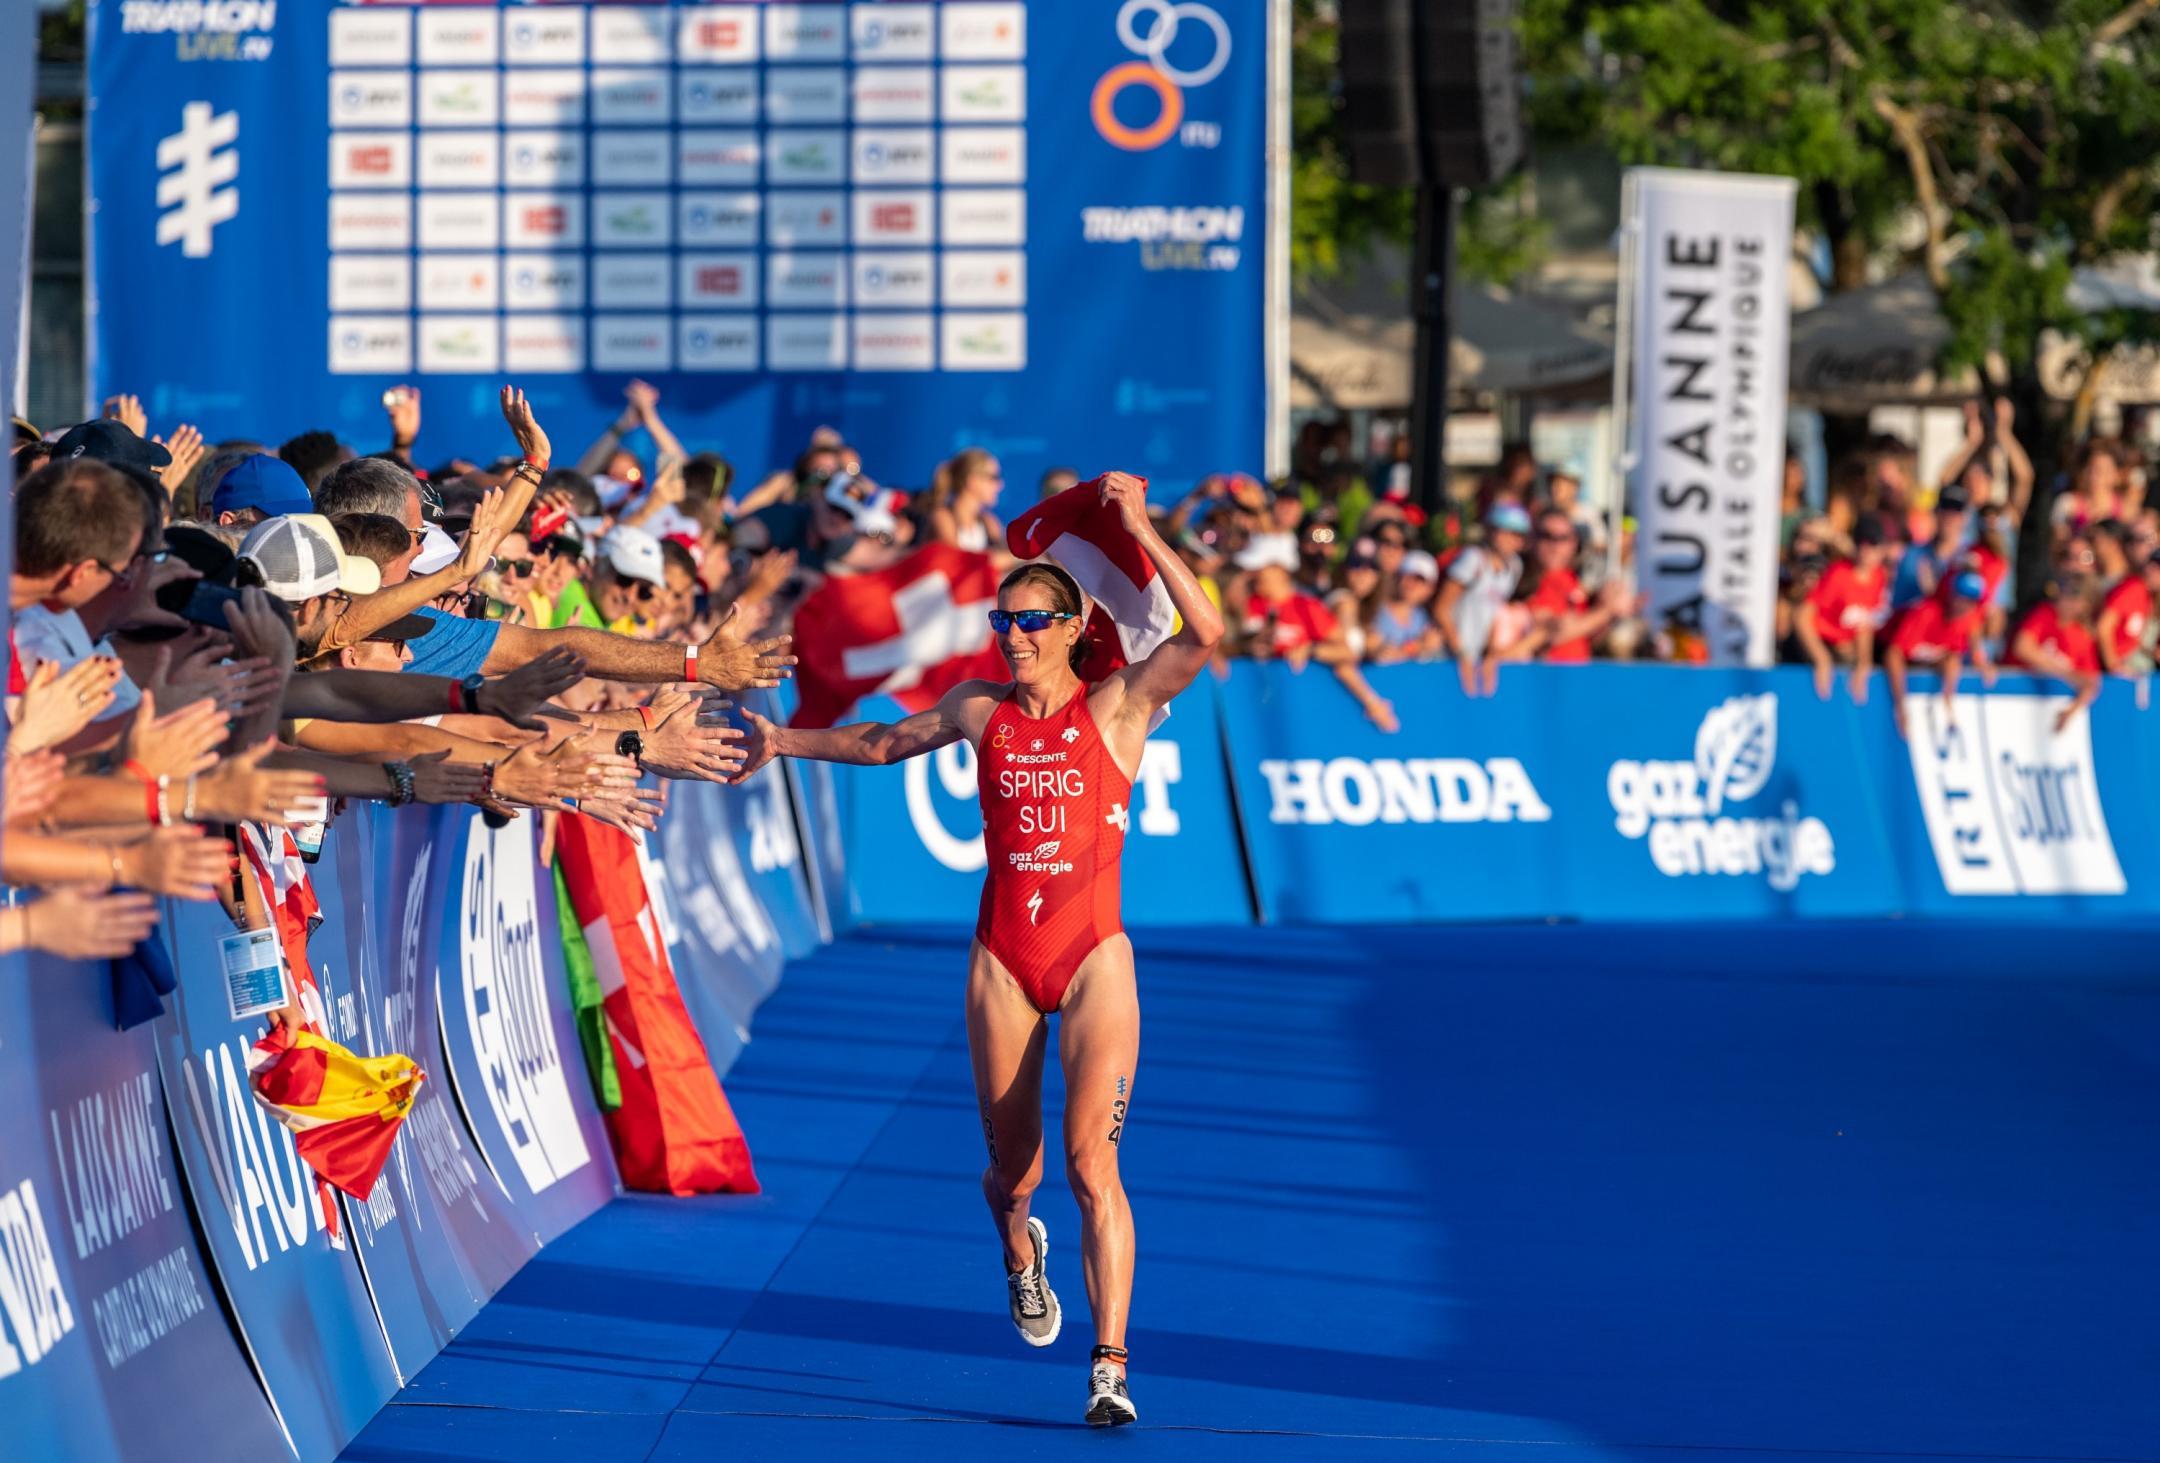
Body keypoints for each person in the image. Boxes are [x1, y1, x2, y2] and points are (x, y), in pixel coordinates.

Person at [729, 473, 1223, 1428]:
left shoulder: (1119, 705)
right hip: (1004, 959)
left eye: (1033, 621)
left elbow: (1204, 633)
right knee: (1017, 1177)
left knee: (1092, 1167)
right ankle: (1018, 1249)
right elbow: (883, 743)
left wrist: (1139, 524)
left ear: (1075, 627)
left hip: (1094, 957)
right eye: (1005, 621)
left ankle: (1110, 1365)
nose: (1015, 636)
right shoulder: (977, 711)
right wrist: (782, 741)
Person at [1882, 570, 1994, 738]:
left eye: (1973, 602)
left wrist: (1981, 662)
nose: (1967, 606)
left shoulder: (1966, 621)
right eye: (1963, 598)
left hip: (1918, 660)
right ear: (1952, 595)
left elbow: (1956, 655)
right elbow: (1892, 654)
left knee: (1952, 659)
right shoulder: (1926, 612)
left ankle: (1947, 704)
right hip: (1879, 651)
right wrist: (1900, 705)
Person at [1793, 514, 1893, 701]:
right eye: (1862, 543)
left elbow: (1864, 623)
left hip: (1843, 648)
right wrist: (1821, 658)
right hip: (1817, 643)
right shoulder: (1839, 574)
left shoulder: (1879, 577)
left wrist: (1864, 662)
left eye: (1872, 544)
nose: (1866, 550)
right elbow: (1802, 616)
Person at [1434, 501, 1527, 696]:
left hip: (1476, 657)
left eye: (1517, 534)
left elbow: (1496, 612)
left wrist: (1490, 653)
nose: (1511, 539)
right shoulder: (1473, 559)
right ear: (1491, 531)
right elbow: (1441, 608)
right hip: (1448, 655)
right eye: (1505, 531)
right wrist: (1461, 653)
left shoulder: (1514, 567)